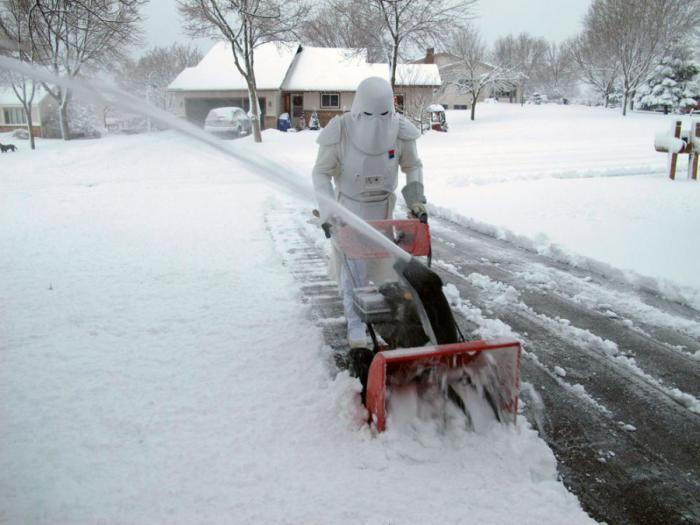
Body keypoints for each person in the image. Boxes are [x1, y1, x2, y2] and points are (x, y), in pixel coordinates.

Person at [312, 76, 427, 348]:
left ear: (392, 107)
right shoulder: (339, 131)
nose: (377, 122)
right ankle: (355, 324)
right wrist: (329, 210)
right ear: (358, 108)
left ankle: (395, 319)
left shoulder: (401, 131)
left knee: (389, 268)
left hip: (385, 210)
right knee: (354, 268)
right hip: (349, 211)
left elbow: (413, 165)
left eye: (384, 114)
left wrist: (416, 200)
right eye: (369, 114)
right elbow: (320, 172)